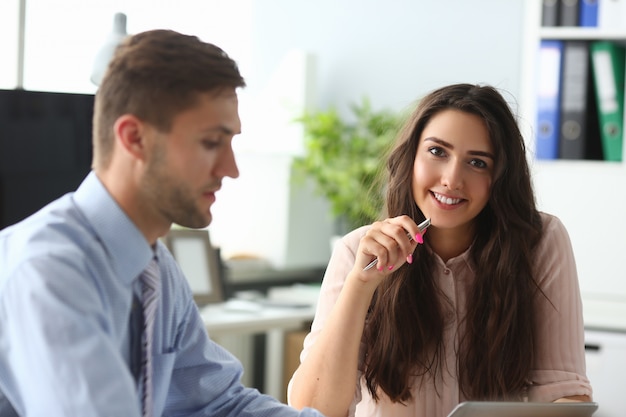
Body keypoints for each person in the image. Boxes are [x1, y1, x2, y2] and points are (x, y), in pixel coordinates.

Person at [0, 29, 325, 417]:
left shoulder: (157, 270)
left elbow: (220, 403)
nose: (231, 169)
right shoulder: (49, 271)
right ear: (134, 138)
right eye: (211, 142)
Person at [287, 83, 592, 417]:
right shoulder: (356, 251)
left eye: (477, 162)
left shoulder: (540, 242)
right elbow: (313, 410)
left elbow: (565, 395)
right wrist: (361, 285)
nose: (451, 179)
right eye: (437, 152)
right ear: (411, 156)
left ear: (500, 177)